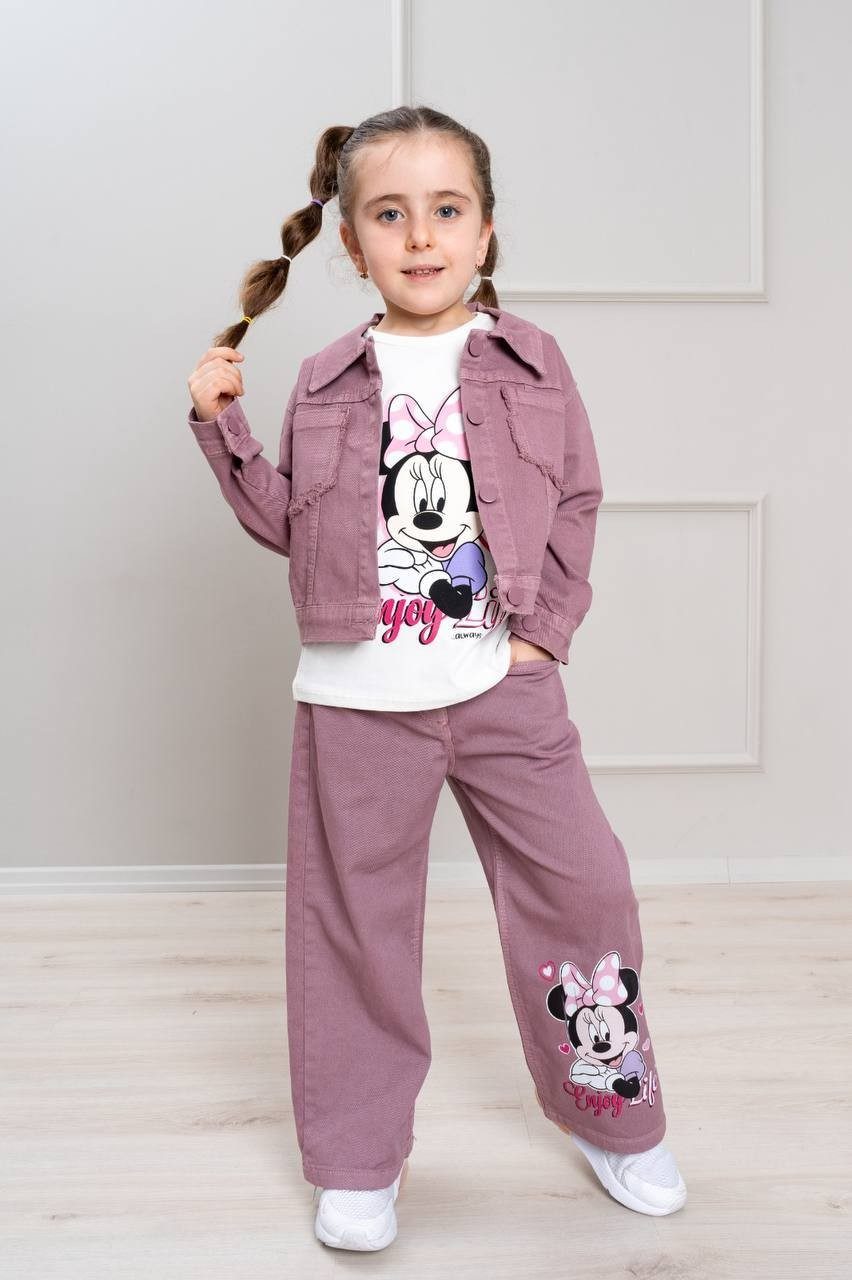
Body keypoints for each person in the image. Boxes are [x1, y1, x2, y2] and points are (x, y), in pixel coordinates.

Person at [186, 106, 687, 1252]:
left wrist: (544, 633)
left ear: (486, 230)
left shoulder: (531, 359)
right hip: (357, 697)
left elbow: (576, 495)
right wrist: (225, 430)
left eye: (447, 210)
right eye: (390, 214)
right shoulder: (325, 375)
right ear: (353, 244)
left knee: (586, 891)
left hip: (502, 687)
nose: (421, 236)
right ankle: (358, 1159)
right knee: (357, 932)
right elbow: (296, 527)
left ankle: (612, 1110)